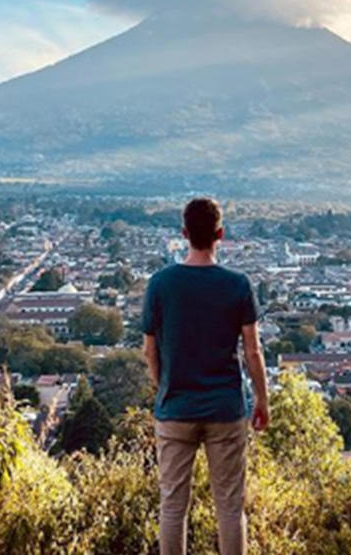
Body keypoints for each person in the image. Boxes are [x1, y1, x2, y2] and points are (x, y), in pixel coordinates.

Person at [142, 197, 270, 555]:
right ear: (220, 234)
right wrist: (261, 399)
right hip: (225, 409)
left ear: (184, 234)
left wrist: (164, 388)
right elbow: (253, 351)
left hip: (175, 407)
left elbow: (149, 351)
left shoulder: (161, 284)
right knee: (230, 507)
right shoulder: (237, 284)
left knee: (172, 507)